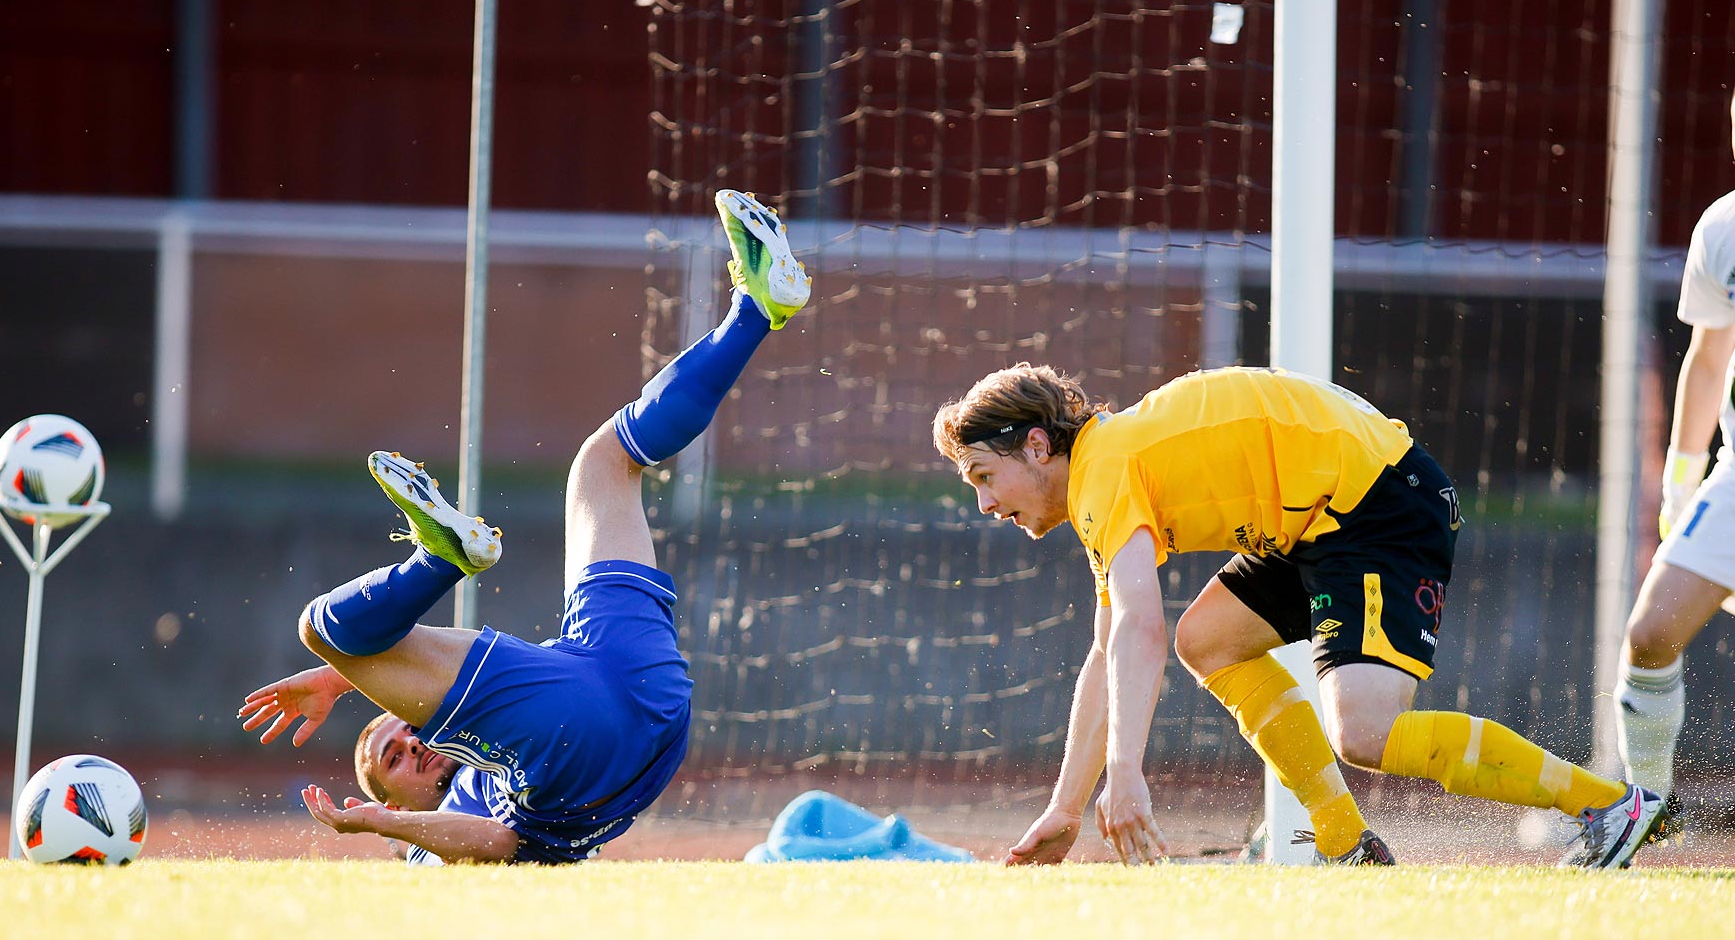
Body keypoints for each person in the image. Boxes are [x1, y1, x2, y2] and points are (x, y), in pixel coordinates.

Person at [236, 190, 810, 864]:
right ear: (394, 802)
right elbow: (498, 841)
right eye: (394, 759)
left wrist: (343, 677)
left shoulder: (471, 737)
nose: (410, 746)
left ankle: (755, 311)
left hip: (626, 678)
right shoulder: (431, 836)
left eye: (397, 733)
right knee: (319, 630)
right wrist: (383, 827)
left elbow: (415, 682)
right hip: (578, 753)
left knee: (603, 463)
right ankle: (438, 559)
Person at [933, 363, 1665, 868]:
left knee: (1364, 731)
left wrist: (1124, 773)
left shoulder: (1105, 469)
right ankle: (1345, 842)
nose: (986, 505)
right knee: (1209, 639)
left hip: (1375, 503)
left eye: (983, 477)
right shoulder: (1104, 465)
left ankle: (1613, 809)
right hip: (1317, 518)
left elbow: (1136, 631)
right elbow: (1110, 650)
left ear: (1036, 445)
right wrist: (1068, 807)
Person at [1614, 96, 1735, 832]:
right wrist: (1682, 482)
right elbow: (1710, 354)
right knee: (1652, 632)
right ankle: (1647, 809)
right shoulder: (1722, 226)